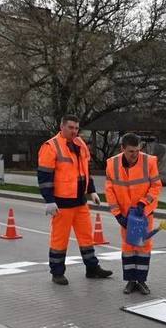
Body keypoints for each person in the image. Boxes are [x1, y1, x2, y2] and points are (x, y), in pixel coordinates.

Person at [37, 114, 112, 285]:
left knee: (87, 238)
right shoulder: (51, 146)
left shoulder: (80, 144)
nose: (74, 131)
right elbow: (44, 176)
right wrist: (49, 200)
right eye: (70, 127)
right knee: (59, 240)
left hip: (80, 201)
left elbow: (85, 170)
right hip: (62, 202)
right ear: (62, 127)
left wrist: (91, 191)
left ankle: (92, 268)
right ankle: (57, 272)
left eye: (76, 128)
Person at [105, 133, 163, 295]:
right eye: (131, 151)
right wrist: (118, 215)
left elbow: (156, 187)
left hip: (143, 213)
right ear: (122, 148)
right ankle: (131, 281)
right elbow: (110, 192)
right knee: (128, 248)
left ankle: (142, 281)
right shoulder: (112, 164)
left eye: (137, 150)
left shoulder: (149, 162)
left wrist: (143, 203)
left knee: (143, 247)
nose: (135, 155)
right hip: (125, 214)